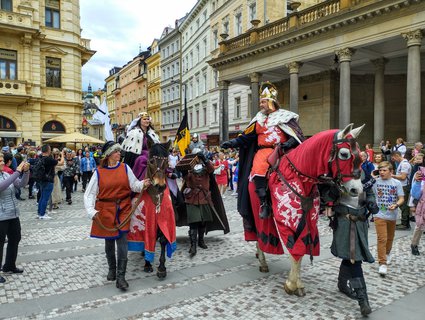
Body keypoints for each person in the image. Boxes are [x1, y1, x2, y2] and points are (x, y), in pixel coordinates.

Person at [221, 81, 304, 219]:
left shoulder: (285, 117)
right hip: (263, 152)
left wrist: (288, 143)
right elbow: (246, 138)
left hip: (282, 151)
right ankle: (264, 202)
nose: (261, 105)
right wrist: (231, 143)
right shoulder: (258, 119)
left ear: (271, 102)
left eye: (263, 102)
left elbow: (297, 135)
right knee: (258, 171)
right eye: (261, 102)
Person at [84, 141, 150, 290]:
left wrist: (143, 184)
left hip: (123, 209)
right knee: (109, 241)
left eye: (120, 152)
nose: (119, 154)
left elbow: (134, 185)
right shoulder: (98, 172)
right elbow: (90, 194)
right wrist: (91, 211)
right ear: (108, 155)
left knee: (122, 241)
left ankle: (121, 276)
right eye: (116, 152)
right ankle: (112, 269)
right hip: (105, 210)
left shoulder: (125, 168)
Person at [179, 151, 229, 257]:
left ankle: (201, 241)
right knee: (193, 223)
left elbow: (211, 169)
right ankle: (193, 246)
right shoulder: (190, 169)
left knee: (202, 222)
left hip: (204, 198)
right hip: (191, 199)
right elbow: (185, 177)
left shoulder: (206, 168)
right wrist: (183, 165)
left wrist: (205, 160)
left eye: (199, 157)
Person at [0, 153, 30, 283]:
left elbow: (20, 184)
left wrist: (26, 172)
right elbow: (1, 187)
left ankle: (9, 265)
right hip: (1, 216)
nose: (3, 162)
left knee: (15, 238)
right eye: (0, 160)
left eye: (2, 160)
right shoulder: (10, 174)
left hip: (13, 214)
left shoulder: (7, 174)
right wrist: (17, 172)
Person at [371, 161, 404, 276]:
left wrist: (396, 205)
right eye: (380, 170)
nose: (381, 172)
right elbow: (364, 187)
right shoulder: (375, 182)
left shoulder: (397, 183)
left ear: (391, 171)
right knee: (382, 239)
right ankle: (382, 263)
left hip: (392, 215)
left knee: (390, 238)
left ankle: (388, 252)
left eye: (384, 170)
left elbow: (401, 198)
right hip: (379, 214)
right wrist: (372, 176)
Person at [121, 112, 160, 178]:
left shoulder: (152, 133)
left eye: (148, 119)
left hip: (152, 155)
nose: (147, 121)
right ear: (139, 120)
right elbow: (130, 149)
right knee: (141, 160)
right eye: (144, 119)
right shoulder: (134, 132)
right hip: (137, 155)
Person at [37, 146, 65, 220]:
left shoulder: (40, 157)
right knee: (45, 198)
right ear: (48, 150)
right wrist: (62, 155)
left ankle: (40, 213)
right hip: (48, 180)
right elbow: (61, 163)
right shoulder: (49, 159)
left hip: (41, 179)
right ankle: (42, 214)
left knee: (42, 197)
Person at [391, 151, 412, 230]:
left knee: (403, 205)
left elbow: (403, 177)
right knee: (401, 204)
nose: (393, 160)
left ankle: (405, 224)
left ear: (397, 156)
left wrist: (392, 176)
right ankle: (404, 222)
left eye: (393, 158)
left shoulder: (405, 164)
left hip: (404, 186)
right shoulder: (402, 163)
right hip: (401, 186)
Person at [410, 169, 425, 255]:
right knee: (419, 226)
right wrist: (411, 204)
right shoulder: (421, 173)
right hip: (422, 205)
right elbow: (415, 194)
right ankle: (414, 244)